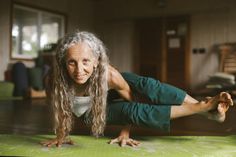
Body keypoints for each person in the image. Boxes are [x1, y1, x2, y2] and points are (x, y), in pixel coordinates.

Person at [41, 30, 234, 148]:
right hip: (91, 111)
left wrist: (125, 131)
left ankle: (206, 109)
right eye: (72, 63)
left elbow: (132, 98)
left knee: (143, 84)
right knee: (129, 111)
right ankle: (204, 107)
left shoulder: (108, 74)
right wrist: (61, 135)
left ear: (96, 61)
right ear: (63, 63)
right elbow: (61, 108)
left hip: (105, 90)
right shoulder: (53, 80)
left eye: (85, 62)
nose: (79, 70)